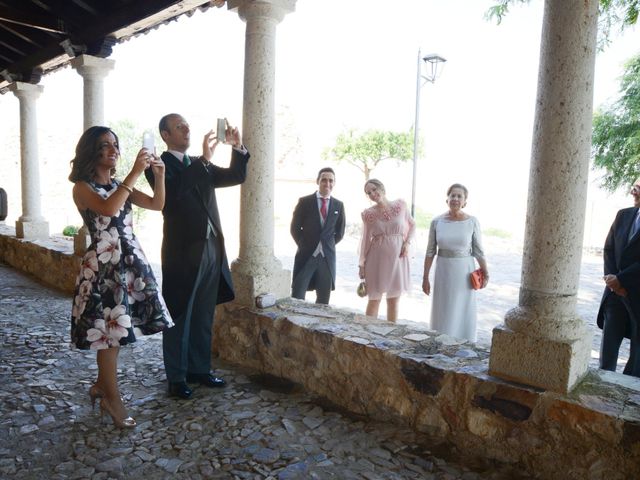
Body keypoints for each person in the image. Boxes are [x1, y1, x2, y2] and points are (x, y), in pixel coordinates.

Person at [69, 126, 173, 428]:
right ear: (92, 151)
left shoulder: (119, 184)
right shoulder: (82, 187)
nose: (114, 149)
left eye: (116, 144)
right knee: (109, 338)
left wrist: (160, 175)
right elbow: (109, 207)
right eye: (105, 145)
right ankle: (113, 400)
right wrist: (133, 173)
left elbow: (157, 204)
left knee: (115, 336)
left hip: (129, 263)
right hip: (102, 268)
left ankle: (103, 388)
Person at [145, 113, 249, 399]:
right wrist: (203, 160)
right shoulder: (158, 164)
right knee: (179, 313)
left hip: (212, 247)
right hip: (182, 253)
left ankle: (199, 369)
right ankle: (176, 377)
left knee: (203, 313)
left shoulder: (197, 164)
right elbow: (173, 194)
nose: (187, 129)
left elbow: (235, 176)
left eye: (187, 125)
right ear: (165, 135)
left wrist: (237, 149)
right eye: (180, 127)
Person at [422, 183, 488, 342]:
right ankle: (440, 339)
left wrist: (485, 272)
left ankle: (464, 340)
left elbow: (478, 250)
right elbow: (430, 251)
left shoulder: (472, 222)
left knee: (461, 306)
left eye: (459, 196)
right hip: (443, 269)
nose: (455, 199)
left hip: (464, 270)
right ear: (447, 199)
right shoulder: (436, 222)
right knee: (444, 305)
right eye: (453, 195)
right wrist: (425, 277)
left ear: (465, 201)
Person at [597, 182, 640, 376]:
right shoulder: (623, 215)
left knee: (637, 361)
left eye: (639, 186)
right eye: (634, 185)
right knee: (607, 353)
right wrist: (613, 282)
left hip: (636, 294)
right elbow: (609, 250)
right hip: (614, 296)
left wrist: (622, 280)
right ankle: (602, 387)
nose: (633, 190)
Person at [358, 179, 415, 321]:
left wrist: (407, 243)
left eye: (374, 189)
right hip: (376, 260)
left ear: (382, 189)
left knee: (393, 300)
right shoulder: (368, 214)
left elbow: (412, 225)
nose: (372, 194)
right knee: (374, 299)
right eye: (368, 193)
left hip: (398, 259)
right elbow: (365, 240)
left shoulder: (401, 205)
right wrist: (361, 263)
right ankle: (367, 335)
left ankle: (390, 338)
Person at [290, 167, 346, 304]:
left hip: (327, 258)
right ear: (318, 181)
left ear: (334, 183)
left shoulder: (339, 205)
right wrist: (306, 244)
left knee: (323, 300)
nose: (328, 184)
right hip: (306, 255)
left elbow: (339, 233)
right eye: (324, 180)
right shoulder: (304, 202)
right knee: (297, 295)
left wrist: (326, 245)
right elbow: (294, 228)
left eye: (331, 181)